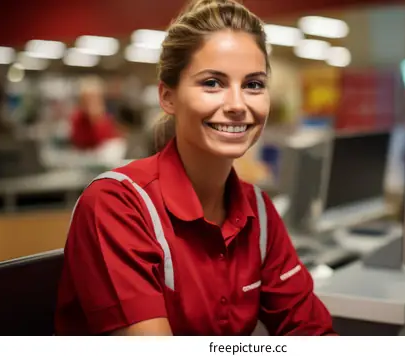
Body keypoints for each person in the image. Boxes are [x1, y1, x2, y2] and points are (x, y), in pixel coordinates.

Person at [55, 0, 336, 336]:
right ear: (168, 97)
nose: (237, 105)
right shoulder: (116, 205)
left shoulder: (259, 212)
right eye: (212, 83)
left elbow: (311, 333)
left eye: (254, 84)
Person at [69, 76, 121, 151]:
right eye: (87, 99)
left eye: (94, 98)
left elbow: (109, 143)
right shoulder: (77, 118)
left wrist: (97, 120)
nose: (91, 102)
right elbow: (78, 142)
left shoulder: (108, 119)